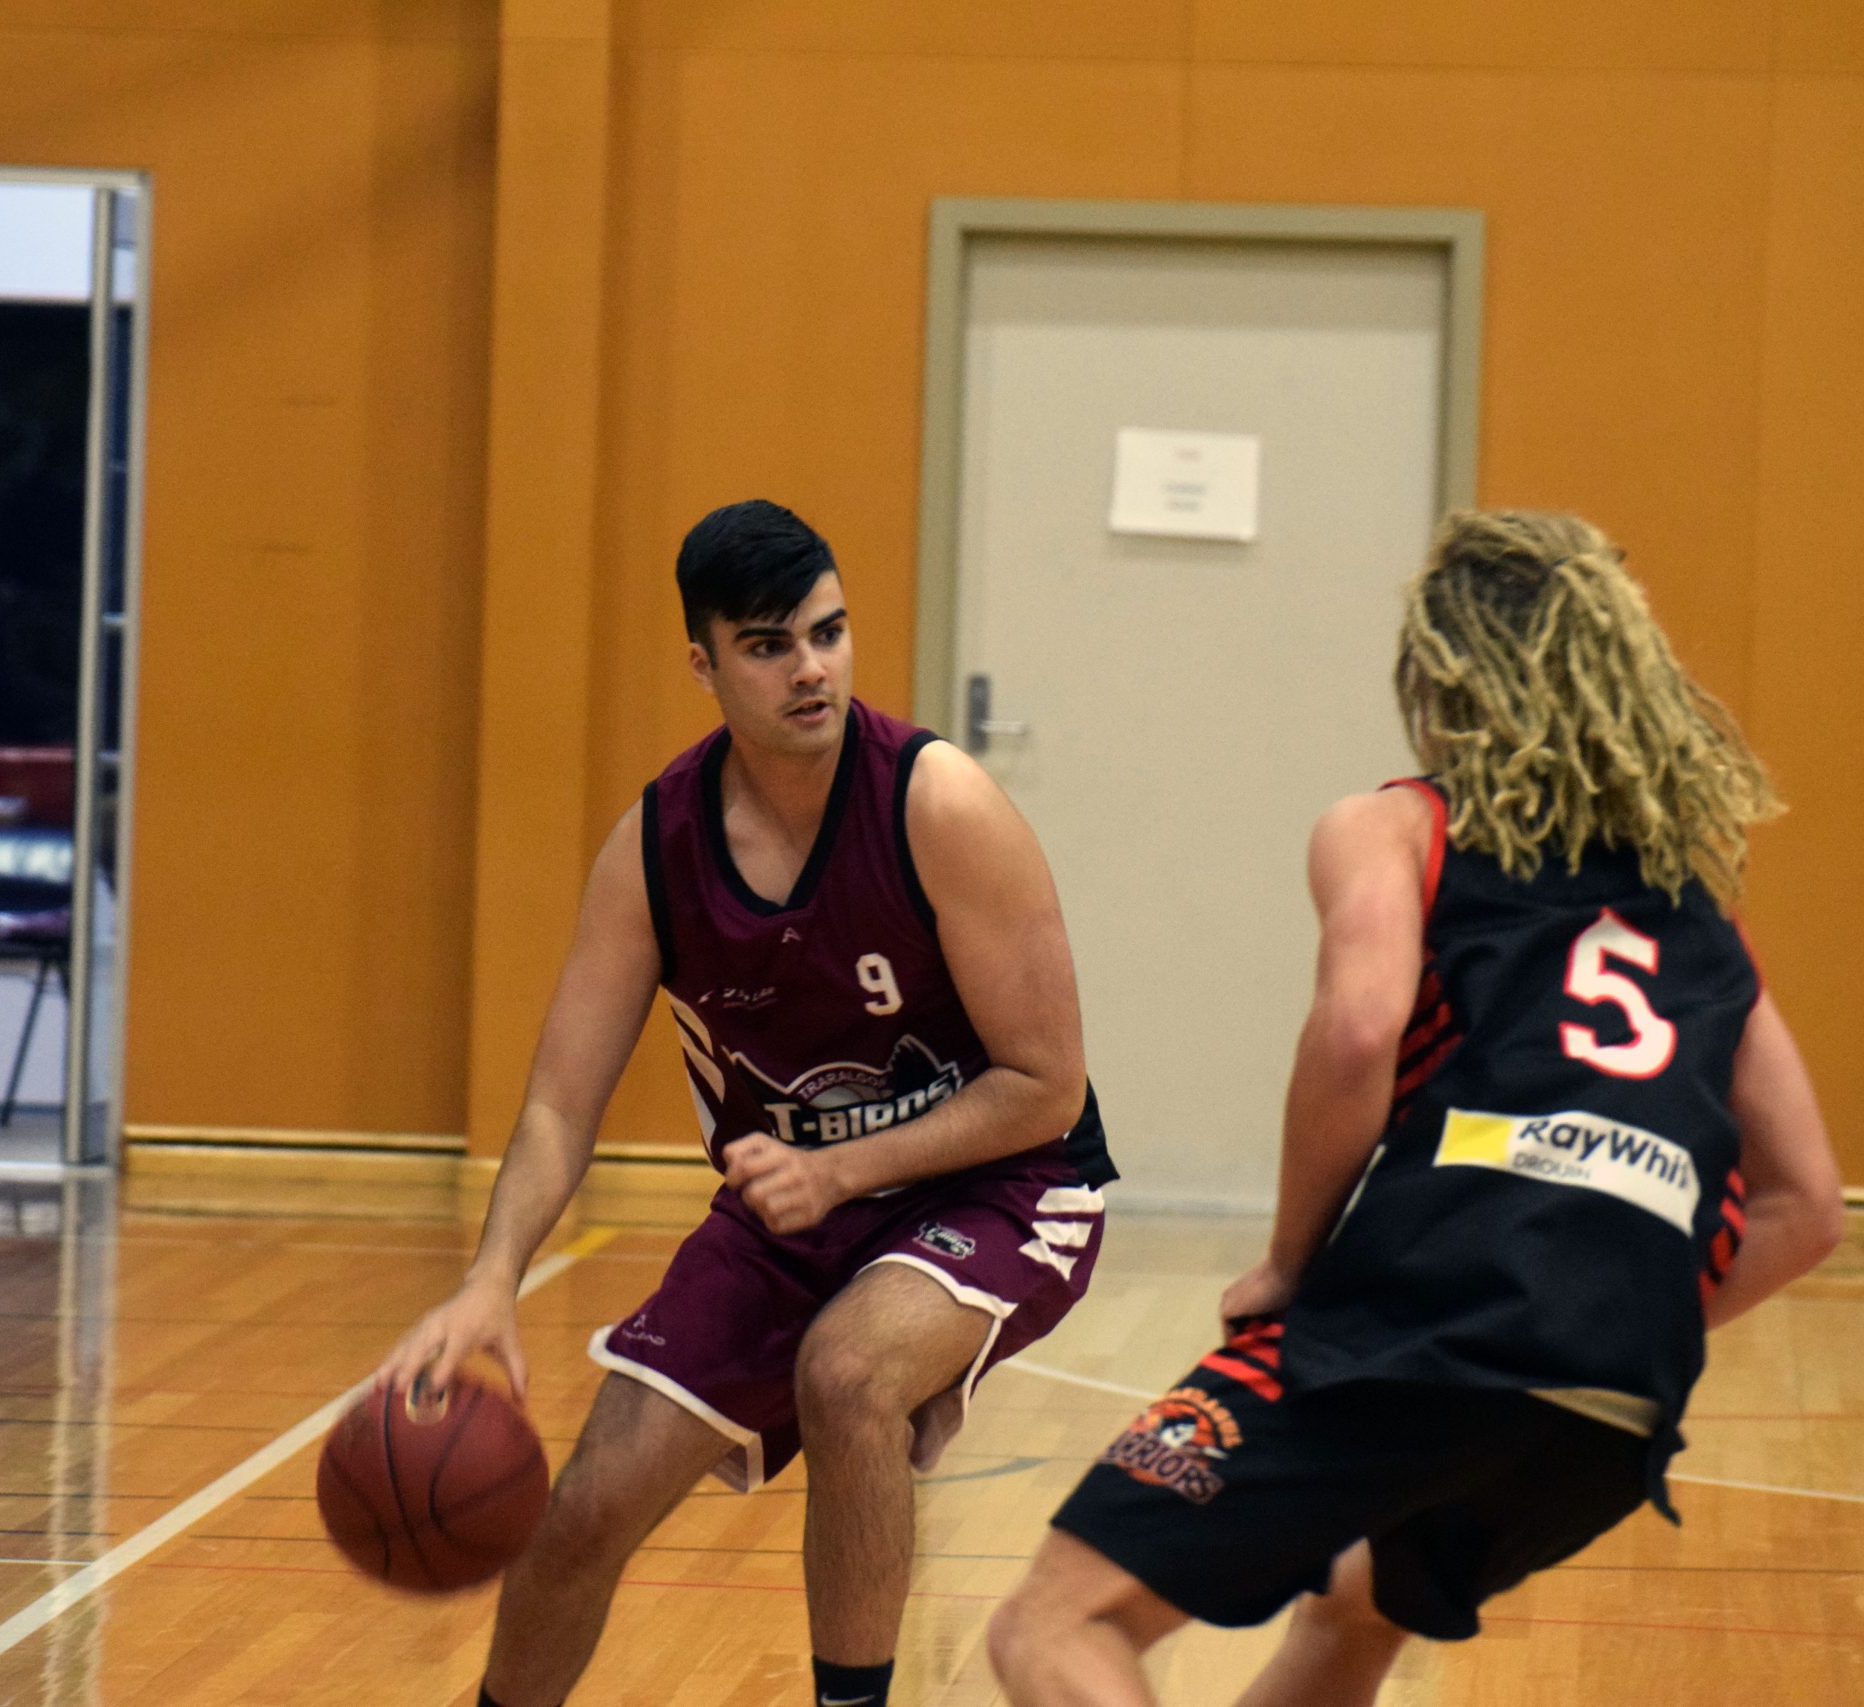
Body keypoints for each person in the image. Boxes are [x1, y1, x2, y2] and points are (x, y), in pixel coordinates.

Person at [988, 509, 1847, 1707]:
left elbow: (1356, 1029)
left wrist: (1291, 1262)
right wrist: (1624, 1317)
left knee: (1053, 1628)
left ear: (1438, 678)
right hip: (1615, 1399)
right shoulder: (1693, 909)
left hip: (1430, 1314)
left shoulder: (1399, 827)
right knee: (1354, 1609)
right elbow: (1808, 1207)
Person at [376, 499, 1118, 1707]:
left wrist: (839, 1169)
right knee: (585, 1508)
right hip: (794, 1213)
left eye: (827, 632)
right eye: (769, 646)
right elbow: (559, 1105)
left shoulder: (936, 802)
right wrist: (490, 1280)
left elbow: (1045, 1089)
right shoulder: (654, 850)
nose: (810, 668)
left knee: (848, 1375)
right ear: (704, 663)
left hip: (1005, 1182)